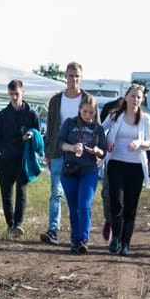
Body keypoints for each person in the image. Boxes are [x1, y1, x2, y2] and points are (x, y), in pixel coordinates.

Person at [101, 84, 150, 255]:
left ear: (142, 99)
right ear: (126, 97)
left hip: (136, 166)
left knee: (131, 207)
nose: (135, 100)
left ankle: (126, 244)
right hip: (116, 163)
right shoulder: (116, 116)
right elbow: (101, 130)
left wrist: (140, 143)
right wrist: (107, 142)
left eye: (139, 97)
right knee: (117, 203)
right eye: (132, 96)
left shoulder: (145, 119)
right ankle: (116, 237)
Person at [56, 93, 108, 254]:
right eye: (85, 112)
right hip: (70, 171)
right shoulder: (69, 123)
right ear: (79, 110)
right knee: (73, 208)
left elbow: (103, 152)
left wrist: (97, 151)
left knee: (84, 205)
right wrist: (72, 147)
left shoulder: (98, 129)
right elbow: (59, 143)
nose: (88, 115)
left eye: (91, 112)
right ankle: (76, 239)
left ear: (95, 112)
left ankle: (84, 239)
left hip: (89, 171)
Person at [41, 62, 87, 244]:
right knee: (56, 192)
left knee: (76, 196)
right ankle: (53, 229)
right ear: (65, 77)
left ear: (81, 78)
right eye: (70, 76)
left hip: (82, 155)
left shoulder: (87, 99)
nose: (73, 79)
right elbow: (51, 127)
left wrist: (97, 154)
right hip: (59, 152)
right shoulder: (56, 100)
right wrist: (49, 152)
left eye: (77, 76)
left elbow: (96, 126)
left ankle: (78, 234)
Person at [0, 78, 42, 236]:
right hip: (5, 159)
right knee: (6, 194)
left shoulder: (31, 115)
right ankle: (10, 224)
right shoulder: (2, 115)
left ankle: (18, 224)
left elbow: (39, 136)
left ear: (23, 93)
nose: (14, 97)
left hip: (23, 159)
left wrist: (31, 135)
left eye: (17, 94)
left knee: (21, 190)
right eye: (12, 94)